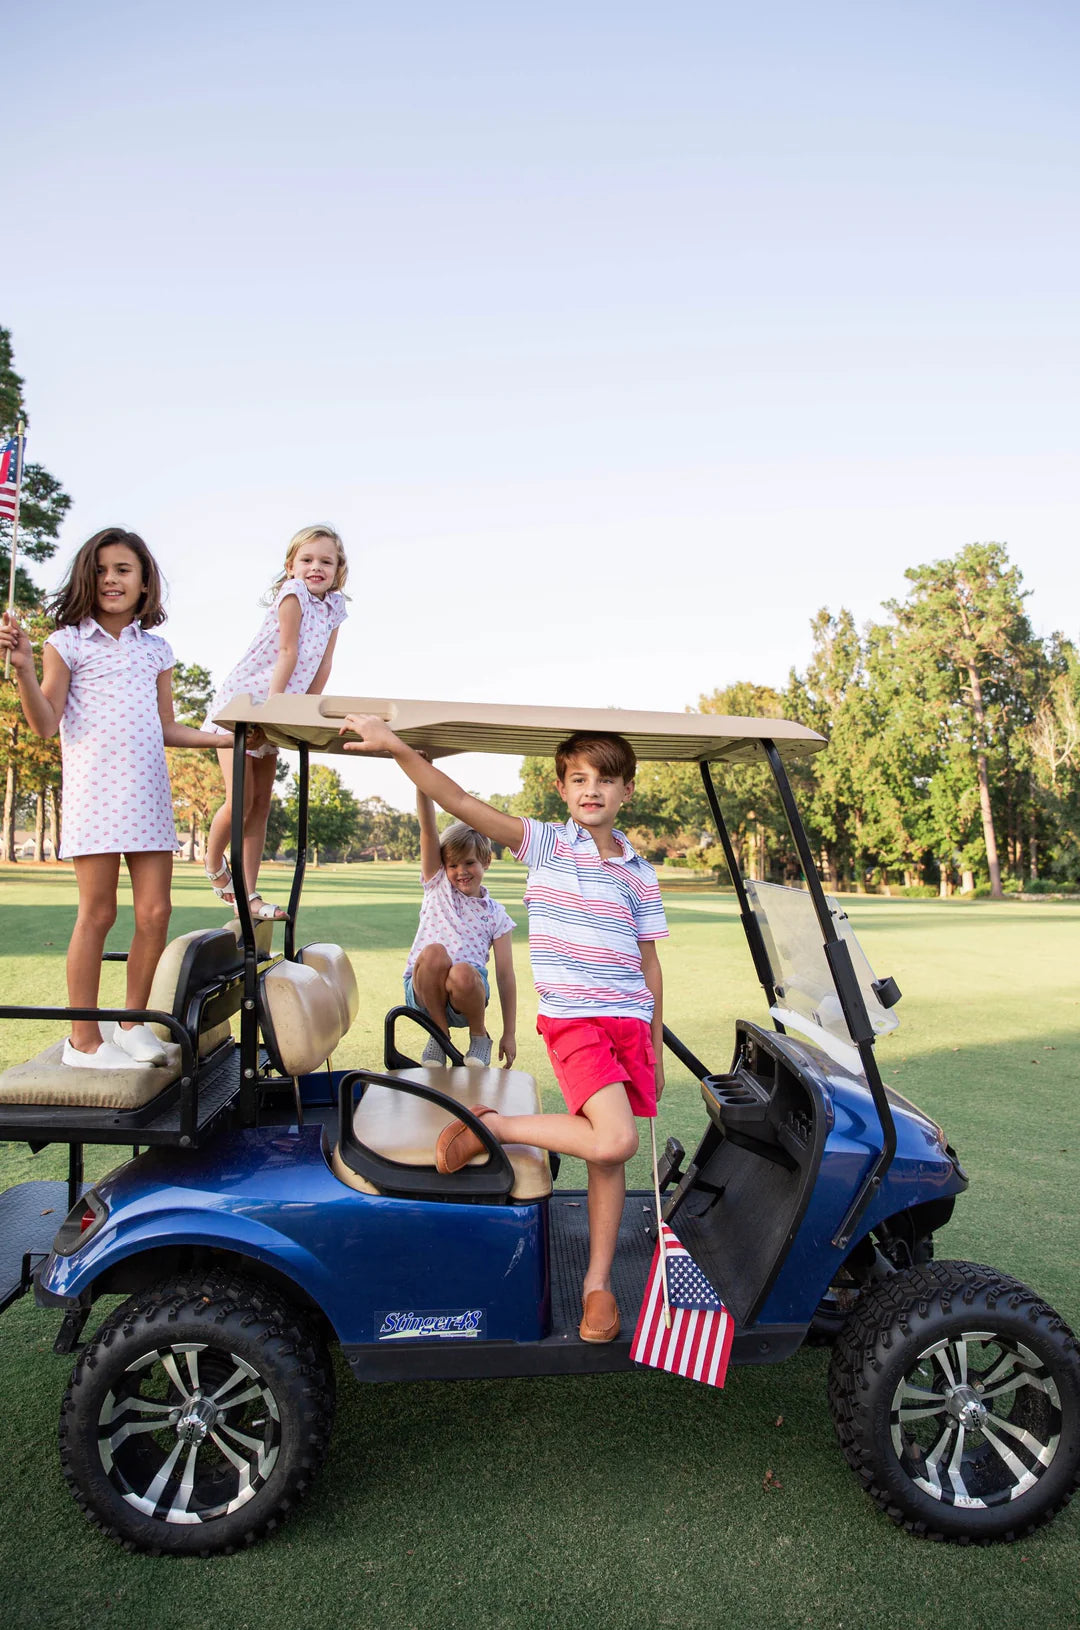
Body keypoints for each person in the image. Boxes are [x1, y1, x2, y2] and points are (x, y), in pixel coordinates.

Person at [341, 715, 667, 1345]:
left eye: (605, 779)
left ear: (627, 790)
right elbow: (459, 801)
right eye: (579, 779)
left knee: (605, 1152)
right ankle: (496, 1127)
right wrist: (400, 749)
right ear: (562, 789)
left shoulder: (641, 873)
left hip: (628, 1021)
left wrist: (653, 1036)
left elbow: (650, 962)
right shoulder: (546, 844)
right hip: (575, 1021)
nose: (592, 789)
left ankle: (597, 1284)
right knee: (616, 1140)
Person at [0, 527, 228, 1069]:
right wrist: (26, 670)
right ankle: (83, 1040)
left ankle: (131, 1024)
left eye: (123, 570)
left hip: (148, 794)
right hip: (95, 796)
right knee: (98, 913)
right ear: (87, 577)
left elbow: (167, 726)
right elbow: (43, 723)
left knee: (155, 911)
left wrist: (223, 737)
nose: (111, 580)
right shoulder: (67, 642)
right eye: (101, 570)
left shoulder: (156, 650)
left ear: (144, 581)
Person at [202, 525, 348, 920]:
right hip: (250, 702)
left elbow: (324, 663)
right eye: (307, 560)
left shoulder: (335, 608)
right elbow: (287, 651)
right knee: (241, 801)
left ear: (338, 569)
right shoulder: (293, 593)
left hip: (281, 707)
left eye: (325, 561)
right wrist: (274, 708)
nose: (315, 567)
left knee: (262, 806)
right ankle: (214, 863)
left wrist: (305, 713)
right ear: (291, 566)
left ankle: (248, 895)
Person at [404, 787, 517, 1069]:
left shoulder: (496, 915)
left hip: (467, 996)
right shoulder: (437, 885)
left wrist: (510, 1032)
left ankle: (479, 1036)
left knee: (463, 971)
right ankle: (439, 1035)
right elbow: (428, 829)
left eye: (469, 863)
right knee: (434, 953)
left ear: (486, 862)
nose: (461, 871)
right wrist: (422, 782)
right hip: (423, 990)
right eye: (452, 864)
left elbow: (505, 975)